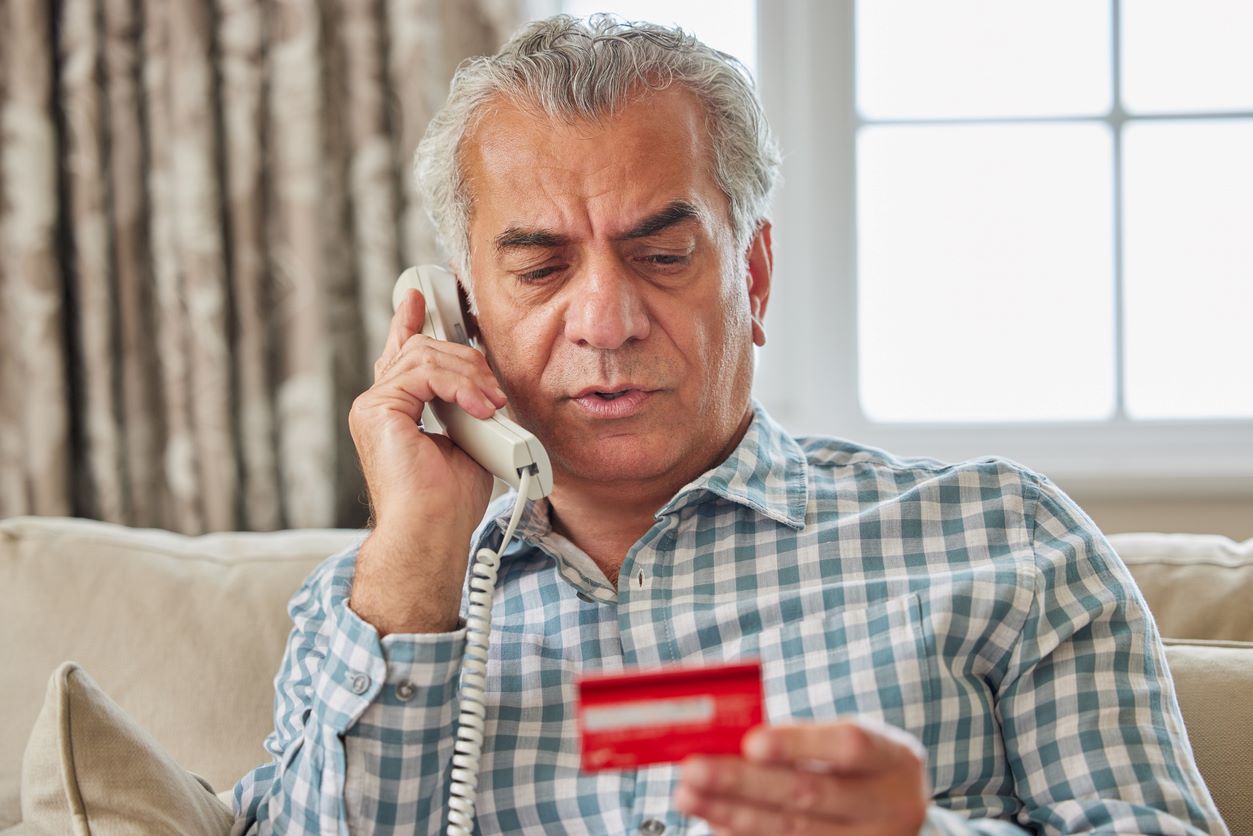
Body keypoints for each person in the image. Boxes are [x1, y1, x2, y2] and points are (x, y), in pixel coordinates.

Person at [233, 15, 1224, 835]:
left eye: (660, 256)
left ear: (749, 275)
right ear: (460, 313)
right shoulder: (367, 617)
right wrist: (415, 560)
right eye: (539, 270)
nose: (605, 322)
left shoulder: (1005, 540)